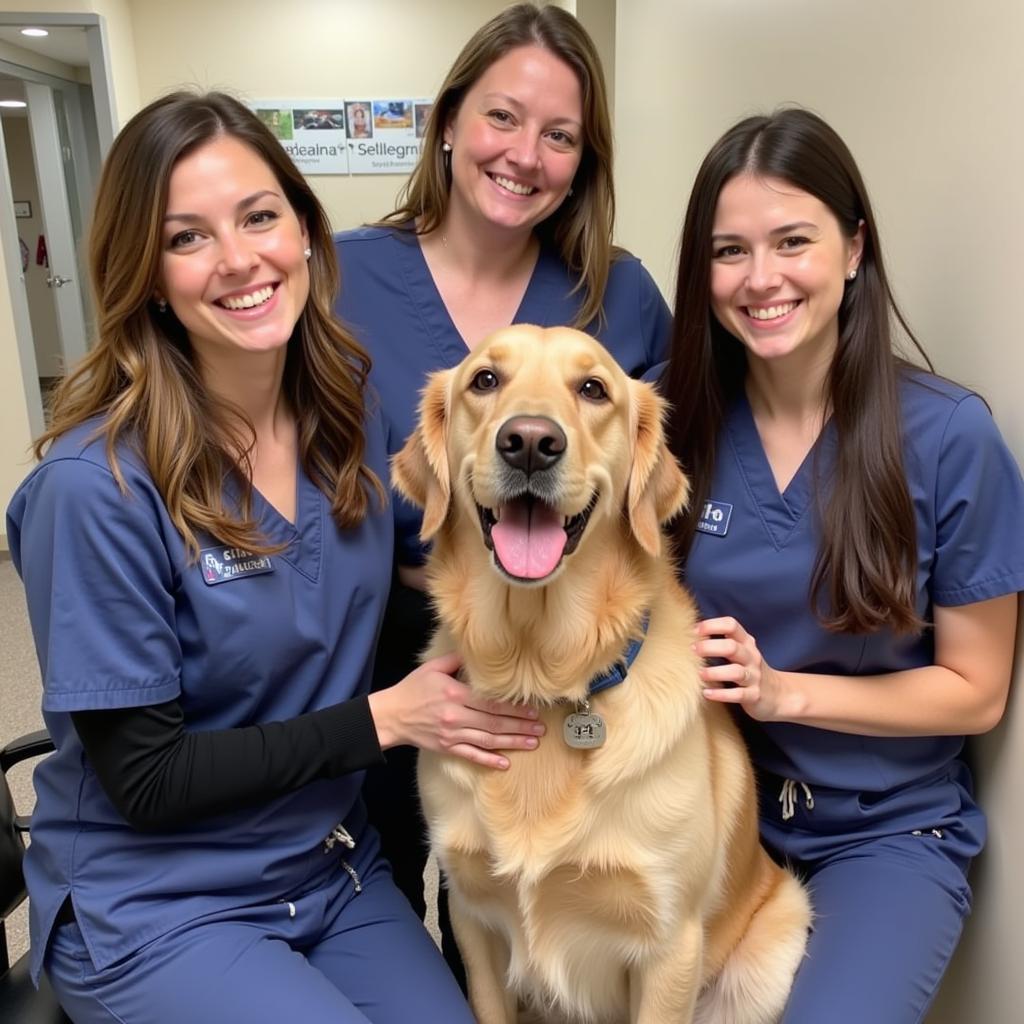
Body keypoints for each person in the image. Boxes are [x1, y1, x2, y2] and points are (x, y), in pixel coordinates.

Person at [5, 91, 545, 1024]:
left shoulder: (345, 418)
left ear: (302, 230)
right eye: (188, 238)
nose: (240, 259)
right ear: (145, 271)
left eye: (260, 217)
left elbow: (416, 564)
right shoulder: (96, 492)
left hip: (326, 866)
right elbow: (148, 781)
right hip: (161, 900)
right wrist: (381, 721)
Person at [657, 107, 1024, 1023]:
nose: (761, 278)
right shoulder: (677, 428)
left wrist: (785, 694)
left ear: (854, 248)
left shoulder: (947, 436)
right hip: (714, 817)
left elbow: (977, 691)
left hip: (886, 831)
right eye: (729, 251)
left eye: (793, 241)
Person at [332, 2, 671, 982]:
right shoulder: (340, 280)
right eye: (502, 117)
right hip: (380, 651)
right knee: (397, 905)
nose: (524, 154)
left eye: (559, 135)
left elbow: (642, 496)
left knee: (537, 905)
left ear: (583, 159)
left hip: (550, 657)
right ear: (448, 122)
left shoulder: (618, 296)